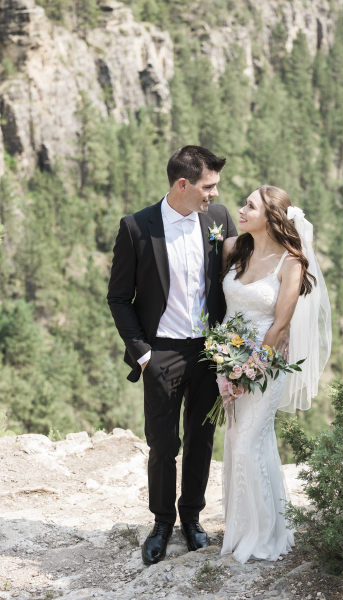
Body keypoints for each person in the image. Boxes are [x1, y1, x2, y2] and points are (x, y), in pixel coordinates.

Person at [107, 145, 237, 566]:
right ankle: (162, 522)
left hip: (208, 352)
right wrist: (143, 354)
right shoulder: (137, 227)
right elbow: (118, 297)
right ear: (183, 184)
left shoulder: (218, 221)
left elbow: (238, 277)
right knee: (163, 444)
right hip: (160, 352)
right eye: (208, 186)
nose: (214, 194)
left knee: (201, 439)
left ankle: (192, 518)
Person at [220, 185, 331, 564]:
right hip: (228, 359)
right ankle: (240, 528)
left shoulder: (292, 263)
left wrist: (247, 370)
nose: (241, 209)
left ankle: (265, 534)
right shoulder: (233, 248)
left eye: (249, 206)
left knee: (250, 443)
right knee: (236, 441)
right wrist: (225, 363)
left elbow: (280, 326)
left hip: (265, 366)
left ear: (271, 217)